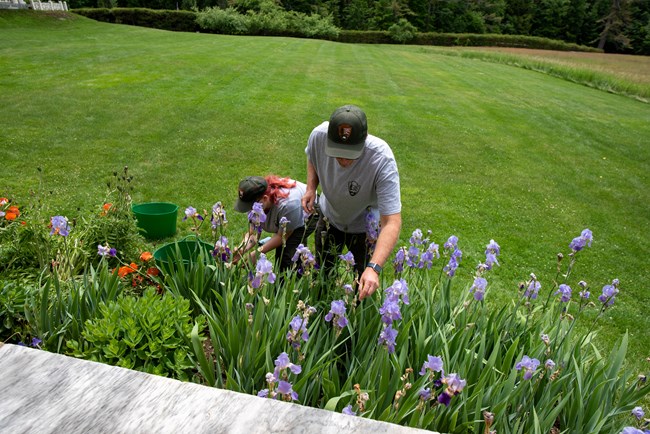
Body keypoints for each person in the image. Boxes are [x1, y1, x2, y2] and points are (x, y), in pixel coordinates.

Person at [301, 104, 402, 300]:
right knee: (322, 276)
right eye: (338, 151)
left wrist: (374, 268)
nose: (344, 160)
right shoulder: (318, 136)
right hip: (330, 217)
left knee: (363, 288)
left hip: (365, 228)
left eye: (350, 154)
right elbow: (312, 156)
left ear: (363, 141)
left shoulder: (382, 159)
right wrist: (311, 187)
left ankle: (356, 322)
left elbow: (392, 221)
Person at [233, 175, 315, 273]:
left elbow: (282, 237)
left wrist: (257, 253)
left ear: (264, 198)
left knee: (286, 257)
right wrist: (242, 249)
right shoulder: (255, 203)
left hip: (308, 209)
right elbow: (253, 233)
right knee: (287, 253)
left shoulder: (288, 205)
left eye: (250, 207)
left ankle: (292, 282)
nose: (249, 211)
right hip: (287, 213)